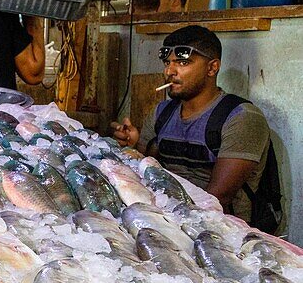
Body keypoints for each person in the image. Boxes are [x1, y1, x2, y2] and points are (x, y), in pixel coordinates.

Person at [111, 25, 280, 230]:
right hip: (167, 219)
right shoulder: (161, 113)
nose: (169, 71)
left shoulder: (241, 117)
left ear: (212, 68)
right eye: (167, 62)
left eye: (182, 63)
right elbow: (147, 171)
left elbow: (217, 199)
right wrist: (135, 146)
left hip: (220, 231)